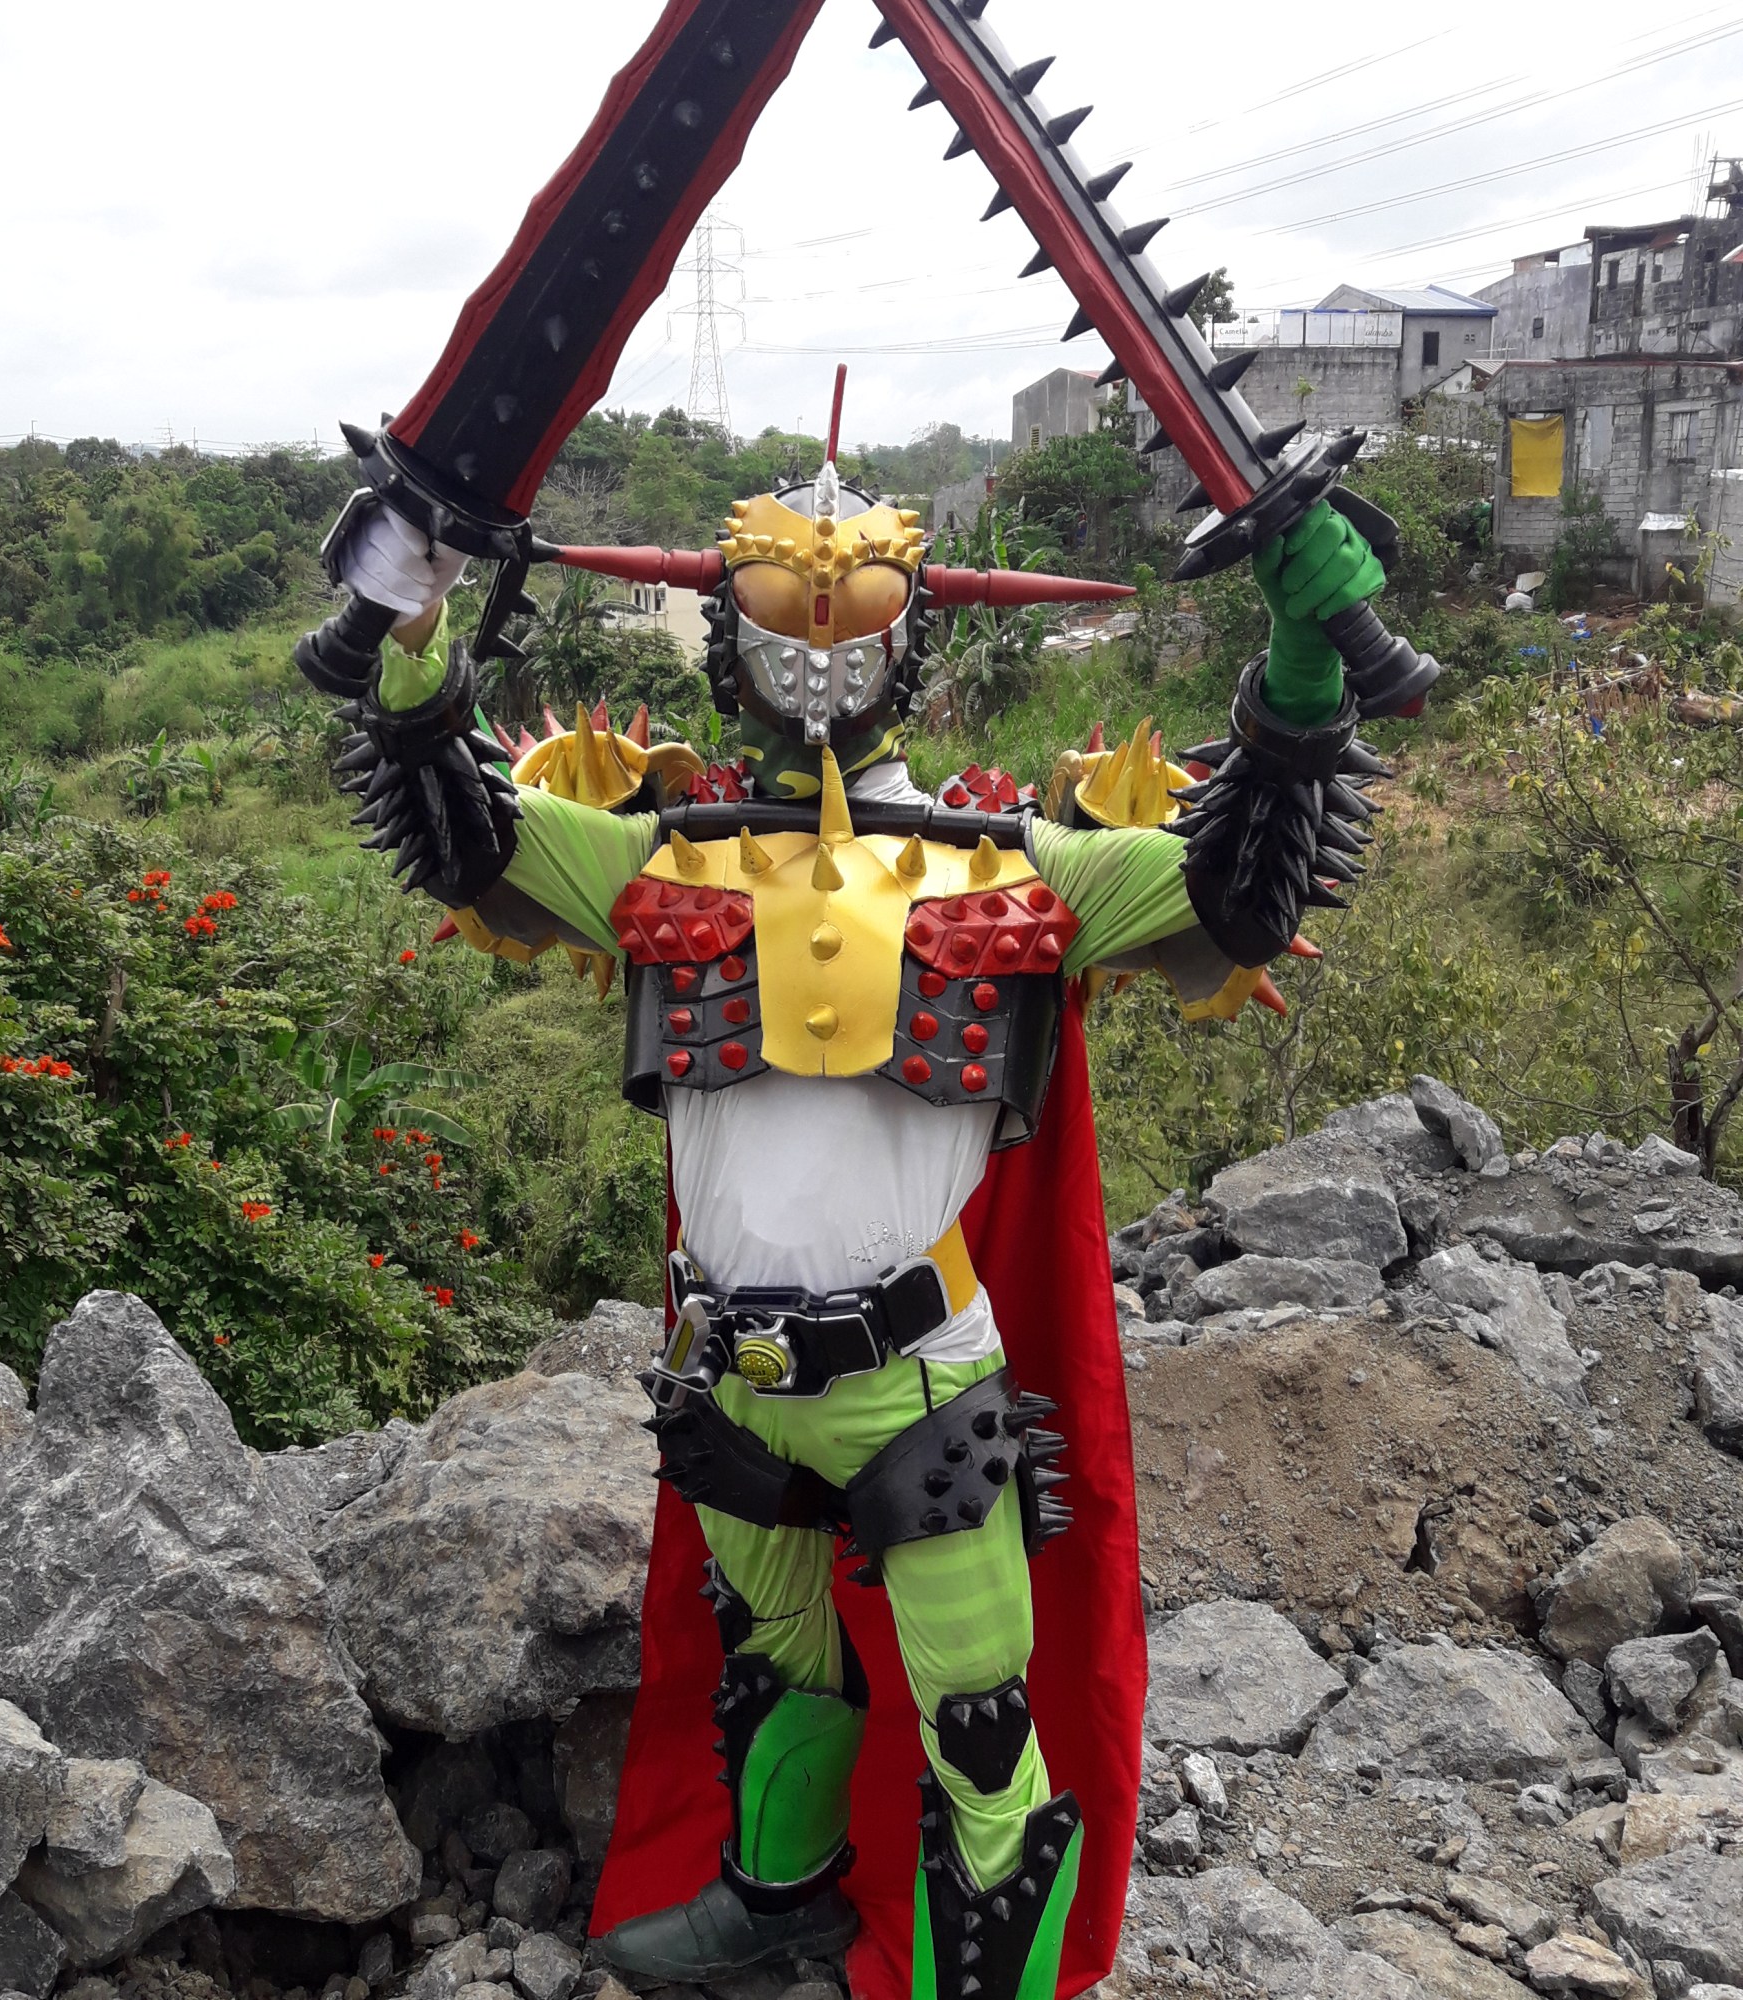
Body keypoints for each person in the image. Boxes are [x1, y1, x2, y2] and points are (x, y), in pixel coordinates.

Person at [308, 450, 1396, 2000]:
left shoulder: (1020, 868)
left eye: (855, 624)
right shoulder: (653, 856)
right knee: (776, 1653)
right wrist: (410, 649)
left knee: (976, 1709)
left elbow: (1238, 895)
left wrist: (1298, 678)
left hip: (920, 1375)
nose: (817, 653)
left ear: (914, 637)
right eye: (782, 622)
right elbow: (461, 832)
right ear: (727, 634)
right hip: (730, 1359)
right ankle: (780, 1892)